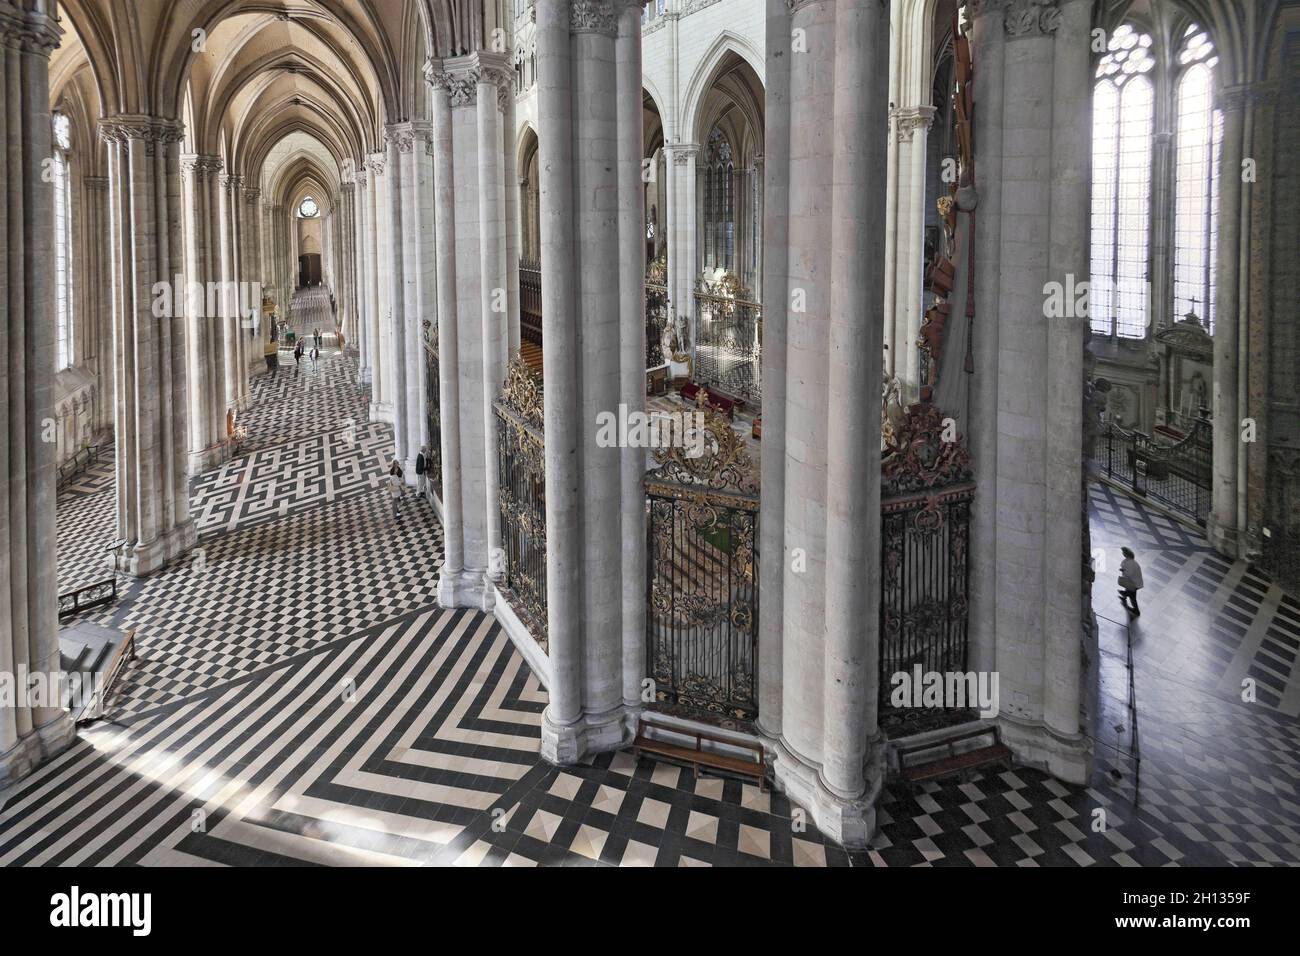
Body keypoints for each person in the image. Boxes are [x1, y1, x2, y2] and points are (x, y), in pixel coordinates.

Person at [1117, 547, 1144, 617]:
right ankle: (1124, 595)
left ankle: (1136, 611)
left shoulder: (1130, 563)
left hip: (1134, 584)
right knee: (1130, 591)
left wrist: (1123, 571)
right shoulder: (1131, 561)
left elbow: (1129, 574)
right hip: (1134, 582)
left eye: (1123, 552)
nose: (1122, 554)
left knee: (1132, 597)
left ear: (1126, 554)